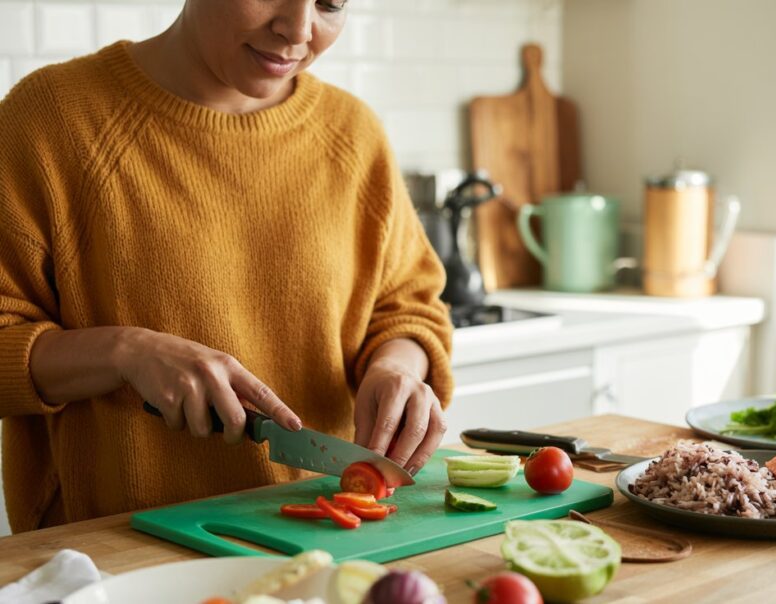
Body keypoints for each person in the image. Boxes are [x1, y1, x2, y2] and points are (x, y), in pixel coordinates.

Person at [0, 0, 453, 534]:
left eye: (330, 3)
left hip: (330, 533)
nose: (298, 29)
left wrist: (396, 367)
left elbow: (408, 308)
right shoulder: (51, 118)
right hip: (119, 547)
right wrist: (125, 353)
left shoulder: (353, 132)